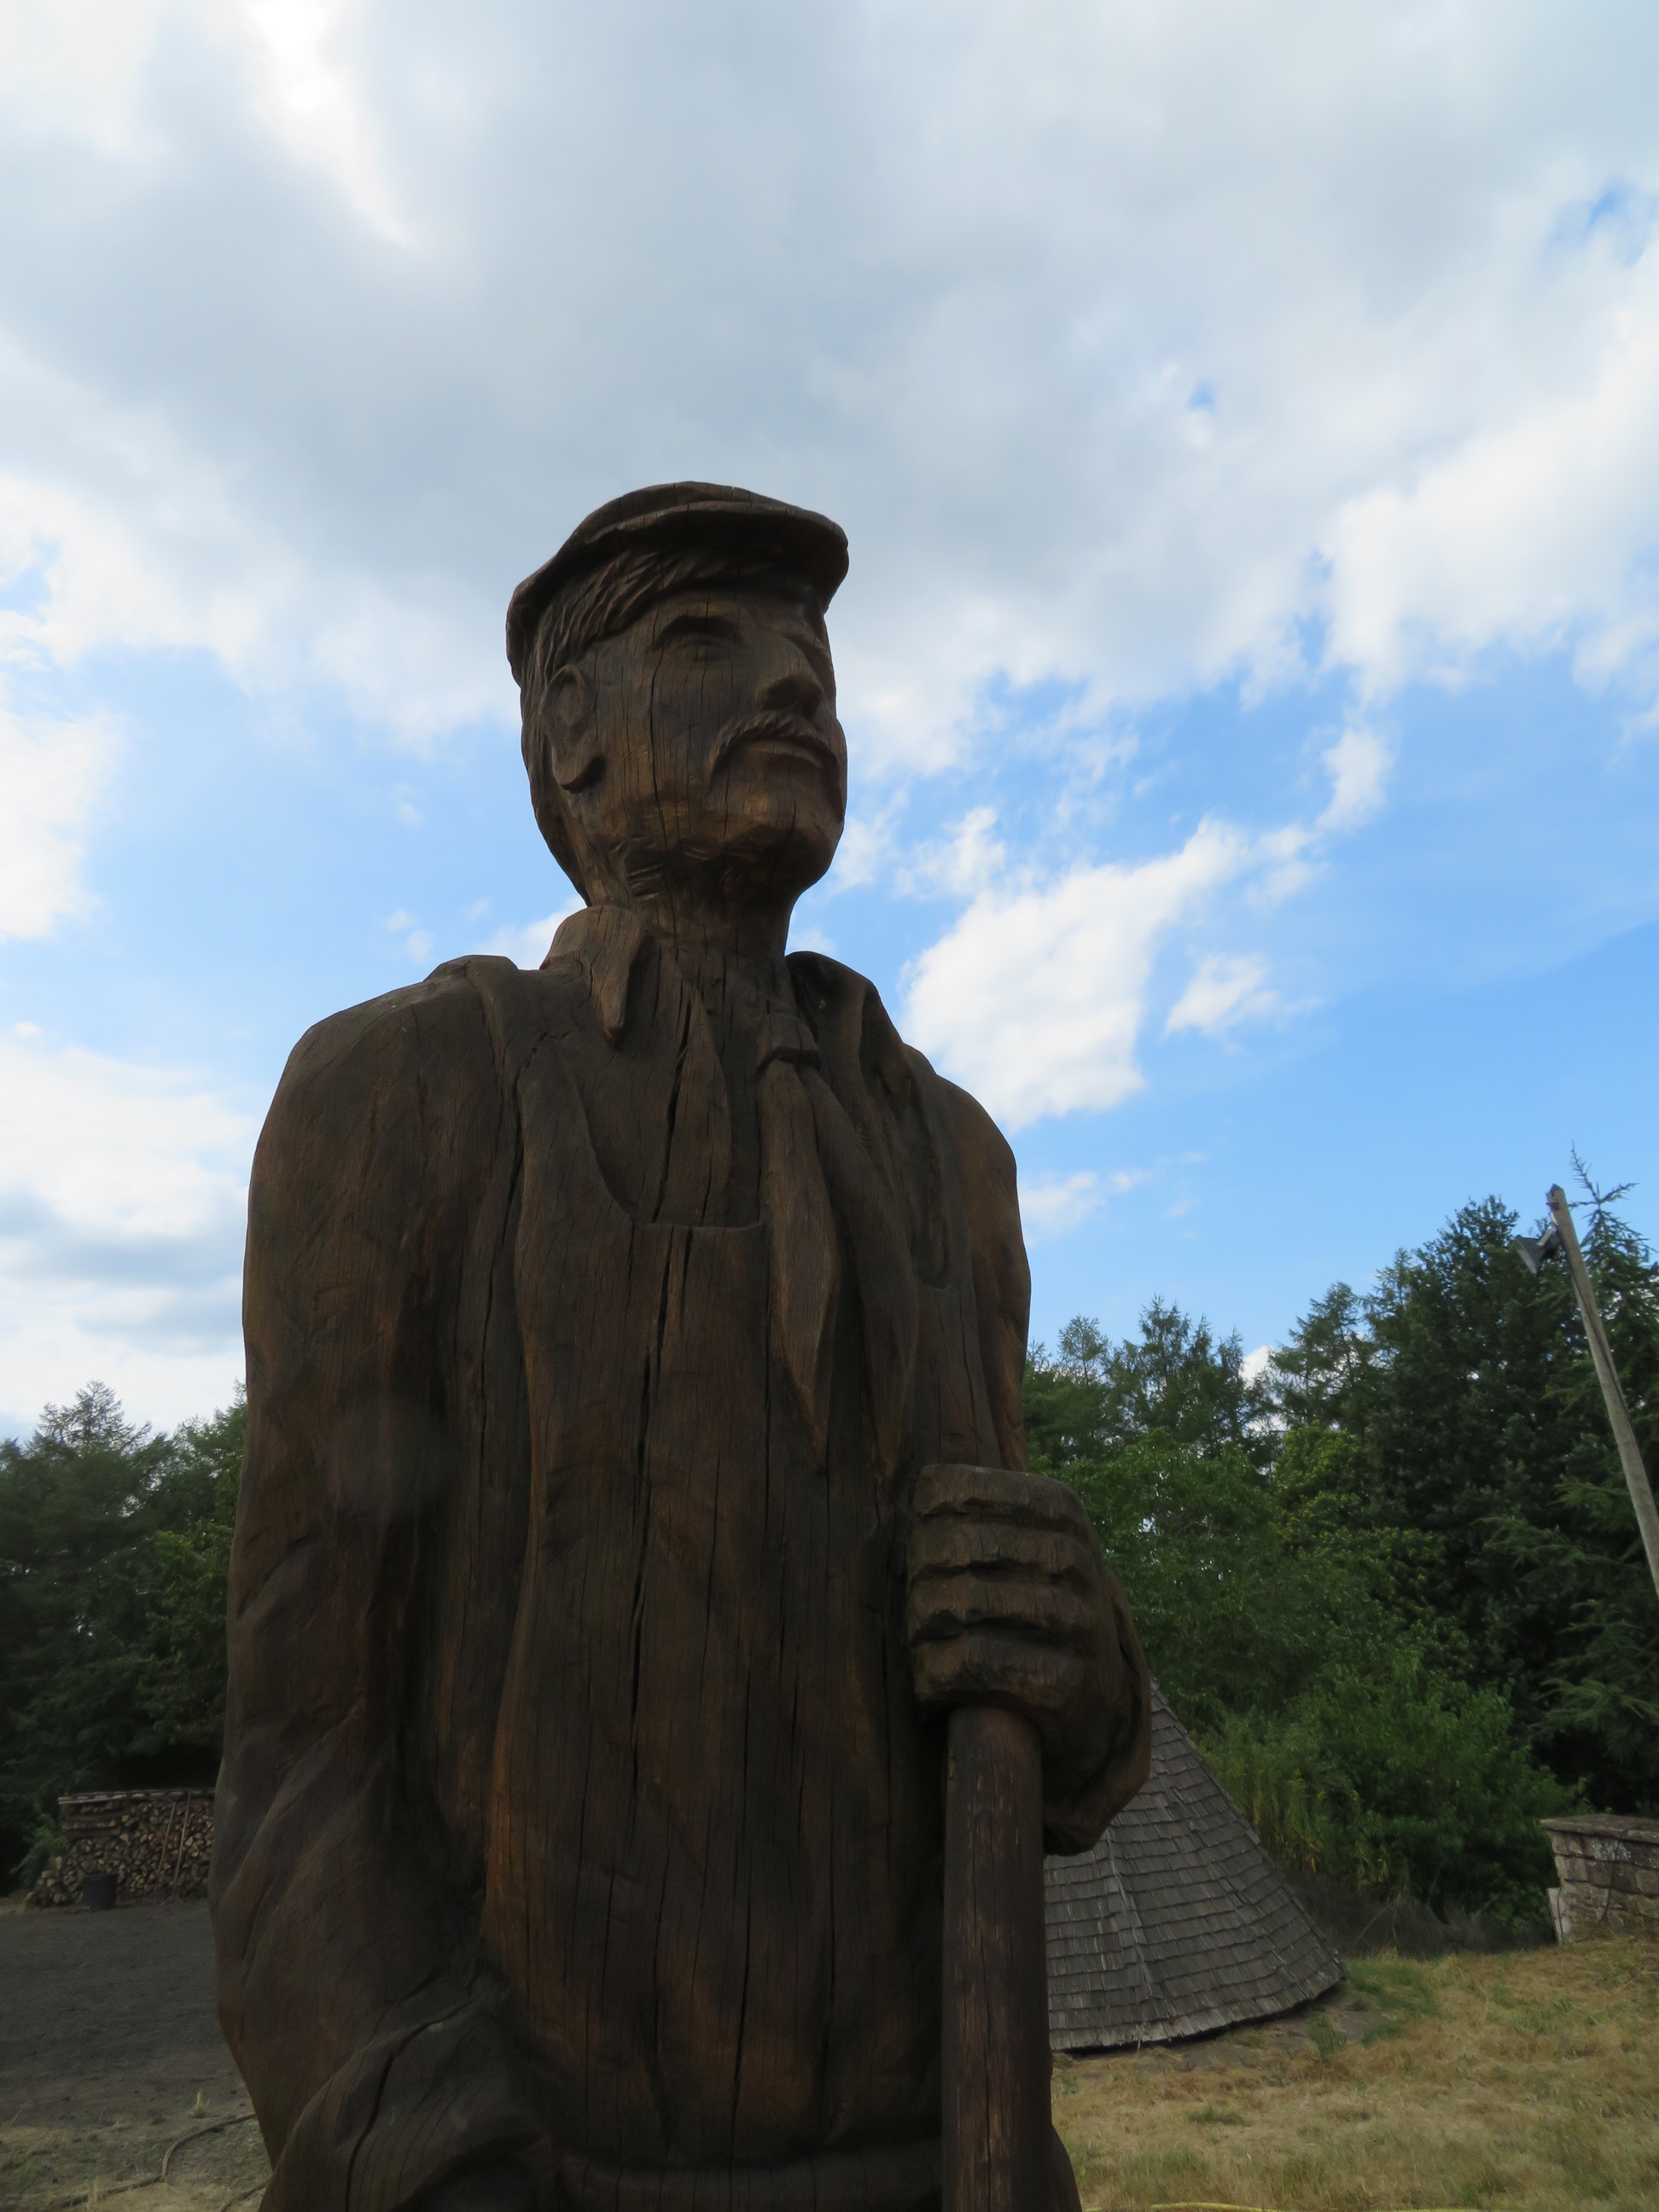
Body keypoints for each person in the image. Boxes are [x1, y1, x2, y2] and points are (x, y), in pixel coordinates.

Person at [211, 484, 1150, 2212]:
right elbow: (302, 1755)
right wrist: (424, 2159)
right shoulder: (409, 1094)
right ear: (571, 728)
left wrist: (1083, 1674)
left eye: (817, 663)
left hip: (944, 2169)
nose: (796, 686)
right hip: (539, 2177)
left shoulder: (953, 1158)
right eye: (713, 642)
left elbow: (1005, 1710)